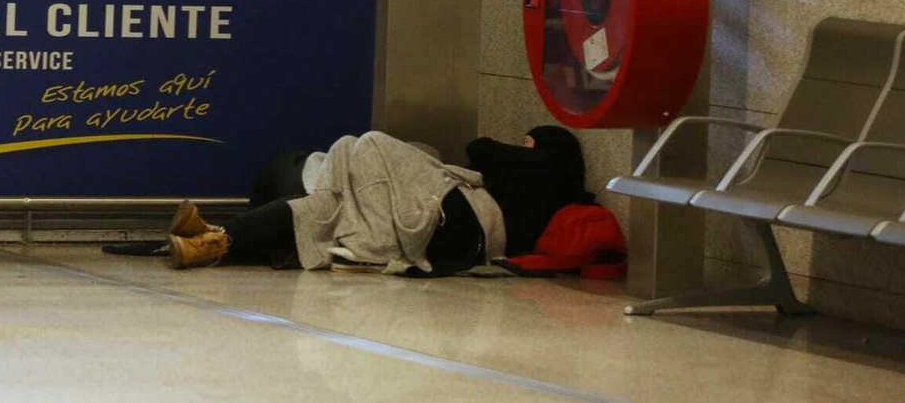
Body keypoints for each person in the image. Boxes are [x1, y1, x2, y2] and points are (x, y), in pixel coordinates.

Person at [165, 126, 590, 275]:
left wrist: (525, 152)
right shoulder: (534, 182)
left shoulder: (547, 175)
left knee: (364, 144)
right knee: (321, 209)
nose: (518, 148)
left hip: (467, 220)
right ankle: (212, 240)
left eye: (526, 142)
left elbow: (478, 147)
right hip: (455, 217)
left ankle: (213, 237)